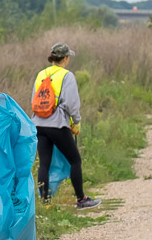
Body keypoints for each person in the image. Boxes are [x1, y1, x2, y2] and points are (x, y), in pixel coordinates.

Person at [31, 43, 101, 209]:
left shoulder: (41, 74)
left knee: (44, 164)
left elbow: (34, 99)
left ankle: (45, 202)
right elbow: (71, 104)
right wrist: (76, 121)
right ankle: (81, 199)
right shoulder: (66, 76)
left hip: (39, 124)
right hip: (57, 124)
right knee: (75, 160)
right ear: (66, 58)